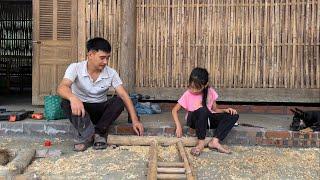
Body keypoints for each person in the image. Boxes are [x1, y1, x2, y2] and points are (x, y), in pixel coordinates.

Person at [57, 37, 144, 151]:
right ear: (90, 55)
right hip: (81, 110)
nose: (105, 62)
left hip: (100, 111)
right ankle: (89, 136)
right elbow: (61, 87)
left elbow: (124, 96)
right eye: (102, 58)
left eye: (107, 58)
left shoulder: (111, 73)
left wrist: (135, 121)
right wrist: (73, 98)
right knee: (66, 102)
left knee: (119, 101)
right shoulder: (75, 68)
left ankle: (98, 133)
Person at [171, 67, 239, 156]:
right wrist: (178, 126)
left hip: (207, 120)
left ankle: (214, 141)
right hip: (194, 120)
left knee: (233, 115)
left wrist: (225, 110)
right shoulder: (187, 94)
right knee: (203, 110)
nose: (194, 90)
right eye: (192, 87)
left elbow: (215, 109)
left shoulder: (210, 92)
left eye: (197, 88)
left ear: (205, 85)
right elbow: (174, 110)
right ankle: (201, 143)